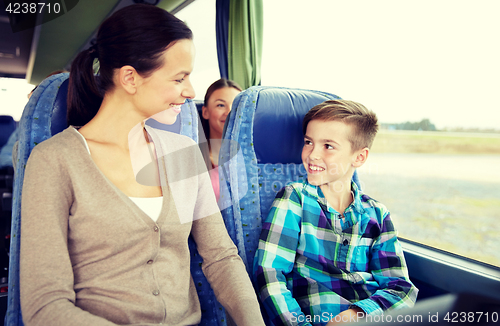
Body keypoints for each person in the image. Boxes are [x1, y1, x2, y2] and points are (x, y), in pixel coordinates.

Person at [19, 4, 265, 326]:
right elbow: (46, 306)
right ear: (130, 78)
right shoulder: (55, 160)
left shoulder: (186, 154)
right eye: (179, 78)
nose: (191, 93)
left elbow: (221, 257)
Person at [253, 100, 418, 326]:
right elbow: (269, 276)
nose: (313, 155)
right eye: (308, 142)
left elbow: (400, 288)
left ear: (359, 157)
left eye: (328, 146)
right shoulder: (295, 199)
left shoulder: (377, 214)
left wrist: (358, 314)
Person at [201, 78, 242, 201]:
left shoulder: (253, 158)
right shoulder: (193, 159)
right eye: (221, 105)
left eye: (236, 106)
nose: (229, 112)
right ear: (205, 112)